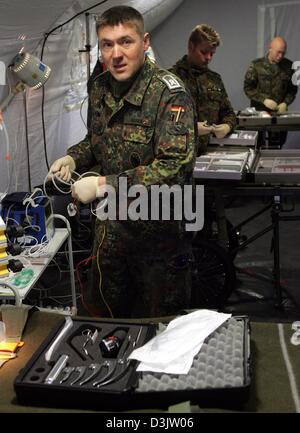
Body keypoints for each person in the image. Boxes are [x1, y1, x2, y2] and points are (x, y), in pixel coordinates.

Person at [48, 6, 196, 318]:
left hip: (157, 239)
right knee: (107, 321)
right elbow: (97, 139)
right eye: (107, 44)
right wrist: (73, 157)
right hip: (111, 235)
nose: (116, 53)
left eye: (125, 42)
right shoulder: (100, 87)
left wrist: (102, 184)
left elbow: (174, 170)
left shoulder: (169, 94)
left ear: (145, 42)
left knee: (158, 328)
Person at [170, 24, 236, 155]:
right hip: (176, 155)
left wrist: (227, 126)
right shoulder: (171, 78)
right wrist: (191, 128)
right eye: (204, 52)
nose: (208, 58)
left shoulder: (214, 80)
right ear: (191, 47)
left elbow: (228, 113)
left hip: (208, 154)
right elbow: (161, 121)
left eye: (212, 53)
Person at [244, 36, 298, 147]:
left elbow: (292, 90)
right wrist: (263, 100)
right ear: (270, 48)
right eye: (278, 52)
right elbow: (248, 88)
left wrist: (285, 103)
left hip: (279, 114)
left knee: (276, 146)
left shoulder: (289, 66)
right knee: (258, 145)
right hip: (259, 113)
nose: (280, 56)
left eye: (283, 53)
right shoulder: (256, 65)